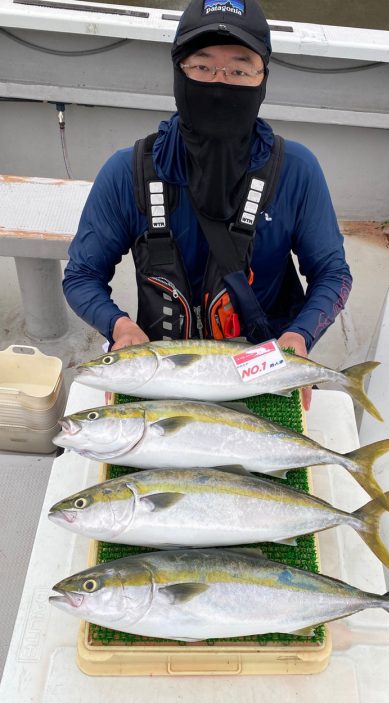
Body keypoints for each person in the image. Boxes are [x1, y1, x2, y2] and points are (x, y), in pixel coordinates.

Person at [63, 0, 352, 411]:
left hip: (264, 362)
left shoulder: (297, 170)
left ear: (263, 79)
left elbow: (332, 273)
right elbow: (81, 276)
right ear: (178, 73)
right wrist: (120, 327)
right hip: (162, 361)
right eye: (202, 67)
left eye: (239, 69)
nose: (220, 83)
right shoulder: (125, 173)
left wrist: (300, 336)